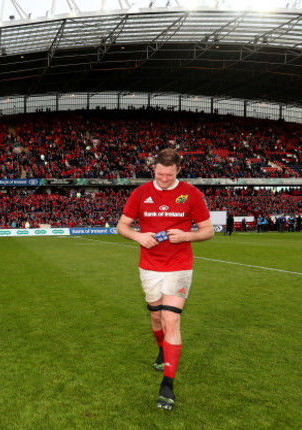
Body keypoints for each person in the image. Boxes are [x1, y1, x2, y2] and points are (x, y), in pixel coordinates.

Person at [117, 148, 214, 411]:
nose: (163, 179)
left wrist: (186, 236)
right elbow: (122, 225)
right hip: (149, 266)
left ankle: (167, 385)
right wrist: (138, 236)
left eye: (169, 175)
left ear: (178, 171)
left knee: (171, 319)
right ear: (154, 169)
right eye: (159, 174)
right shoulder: (140, 193)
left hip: (179, 265)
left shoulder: (191, 194)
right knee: (157, 317)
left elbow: (208, 230)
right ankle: (161, 348)